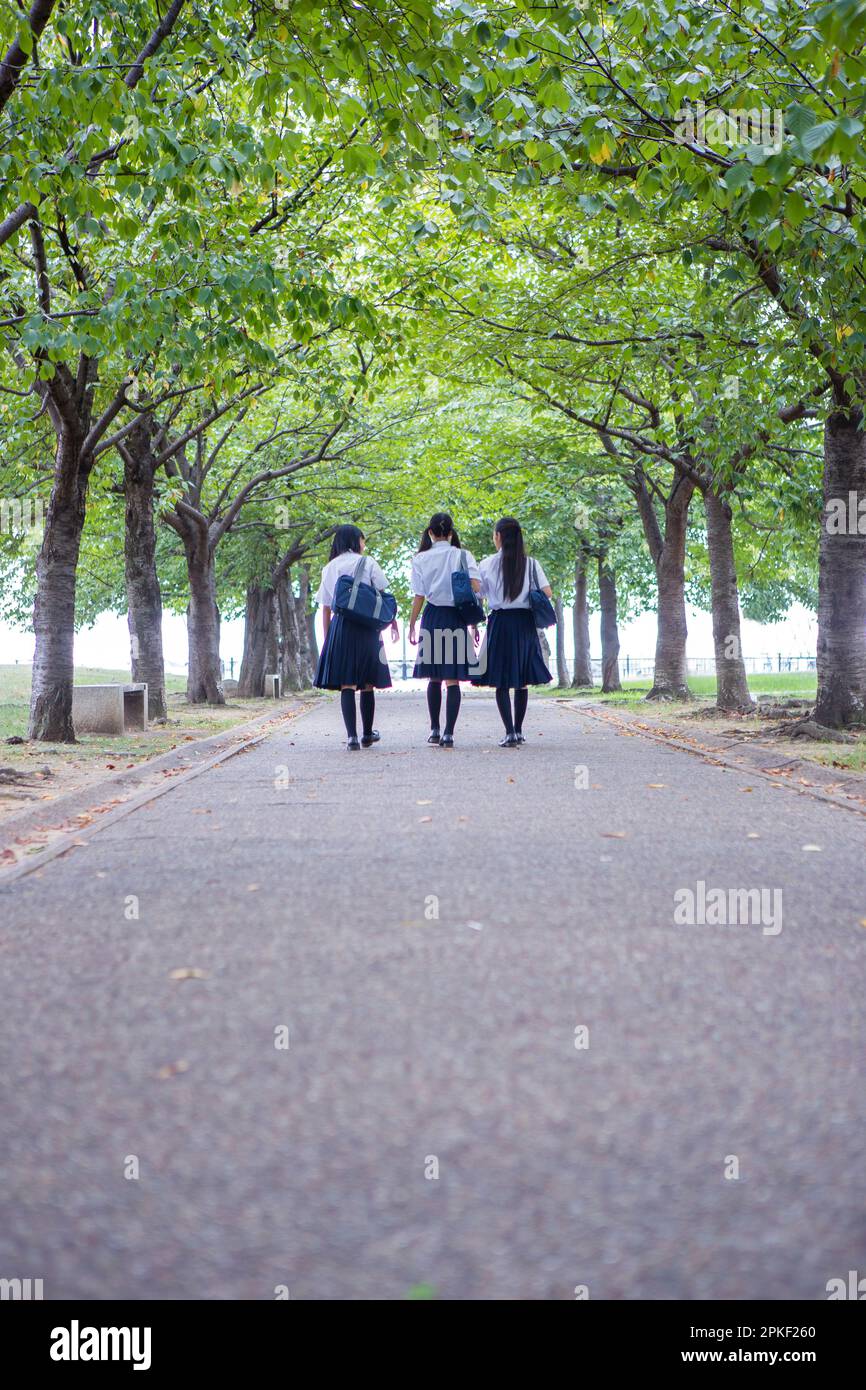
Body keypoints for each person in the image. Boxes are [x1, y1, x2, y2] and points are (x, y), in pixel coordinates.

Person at [313, 525, 399, 750]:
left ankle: (351, 737)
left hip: (341, 628)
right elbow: (382, 596)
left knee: (347, 684)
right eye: (363, 540)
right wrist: (393, 624)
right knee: (368, 682)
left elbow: (326, 608)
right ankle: (368, 734)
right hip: (367, 627)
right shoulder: (368, 562)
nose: (364, 544)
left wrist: (328, 638)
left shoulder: (329, 568)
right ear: (355, 541)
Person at [473, 516, 553, 746]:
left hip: (500, 622)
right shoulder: (530, 564)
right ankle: (519, 730)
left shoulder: (487, 563)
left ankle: (508, 732)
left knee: (501, 680)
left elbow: (480, 594)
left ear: (498, 536)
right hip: (524, 623)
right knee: (521, 679)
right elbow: (546, 592)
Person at [408, 512, 481, 748]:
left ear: (430, 533)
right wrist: (474, 623)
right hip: (457, 616)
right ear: (451, 533)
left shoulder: (420, 559)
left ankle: (434, 729)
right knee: (453, 679)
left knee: (434, 677)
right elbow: (476, 589)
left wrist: (411, 623)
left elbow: (419, 595)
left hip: (432, 616)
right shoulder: (463, 555)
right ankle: (449, 733)